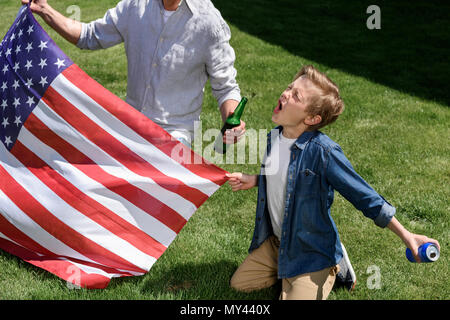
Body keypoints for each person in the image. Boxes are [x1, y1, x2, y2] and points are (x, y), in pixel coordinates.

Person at [226, 65, 440, 300]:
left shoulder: (324, 153)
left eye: (296, 95)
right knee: (239, 284)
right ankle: (288, 270)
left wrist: (407, 235)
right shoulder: (275, 137)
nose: (286, 93)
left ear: (311, 118)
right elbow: (283, 178)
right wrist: (254, 180)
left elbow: (365, 197)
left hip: (311, 251)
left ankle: (333, 265)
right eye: (290, 88)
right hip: (278, 242)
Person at [21, 0, 245, 146]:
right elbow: (89, 35)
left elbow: (225, 86)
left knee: (159, 210)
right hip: (131, 128)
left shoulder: (210, 23)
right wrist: (45, 11)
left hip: (176, 136)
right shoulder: (135, 6)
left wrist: (231, 121)